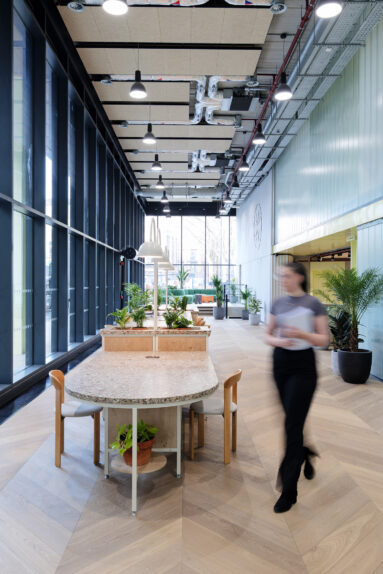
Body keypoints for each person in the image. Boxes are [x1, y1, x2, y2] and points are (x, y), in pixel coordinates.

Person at [265, 262, 329, 513]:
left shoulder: (313, 304)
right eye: (281, 276)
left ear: (299, 277)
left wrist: (304, 336)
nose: (283, 279)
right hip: (280, 364)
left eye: (287, 276)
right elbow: (267, 335)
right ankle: (305, 451)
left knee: (292, 424)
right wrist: (279, 339)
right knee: (293, 419)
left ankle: (289, 491)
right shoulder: (277, 304)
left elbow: (324, 339)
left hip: (304, 368)